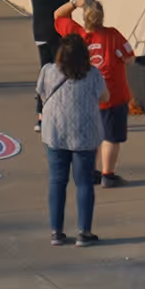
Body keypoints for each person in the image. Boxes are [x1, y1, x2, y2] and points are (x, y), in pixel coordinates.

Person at [54, 0, 135, 187]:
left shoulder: (75, 35)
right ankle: (108, 174)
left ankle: (89, 171)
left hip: (84, 95)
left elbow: (58, 15)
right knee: (111, 137)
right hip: (113, 94)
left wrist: (75, 3)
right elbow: (130, 58)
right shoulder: (113, 35)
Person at [38, 34, 107, 247]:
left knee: (57, 181)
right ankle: (84, 232)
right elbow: (105, 97)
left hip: (55, 133)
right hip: (84, 135)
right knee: (84, 182)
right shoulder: (93, 74)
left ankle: (56, 232)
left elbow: (42, 95)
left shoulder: (48, 71)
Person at [27, 0, 83, 131]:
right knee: (63, 73)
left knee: (45, 72)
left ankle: (41, 115)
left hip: (40, 30)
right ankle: (61, 114)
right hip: (57, 30)